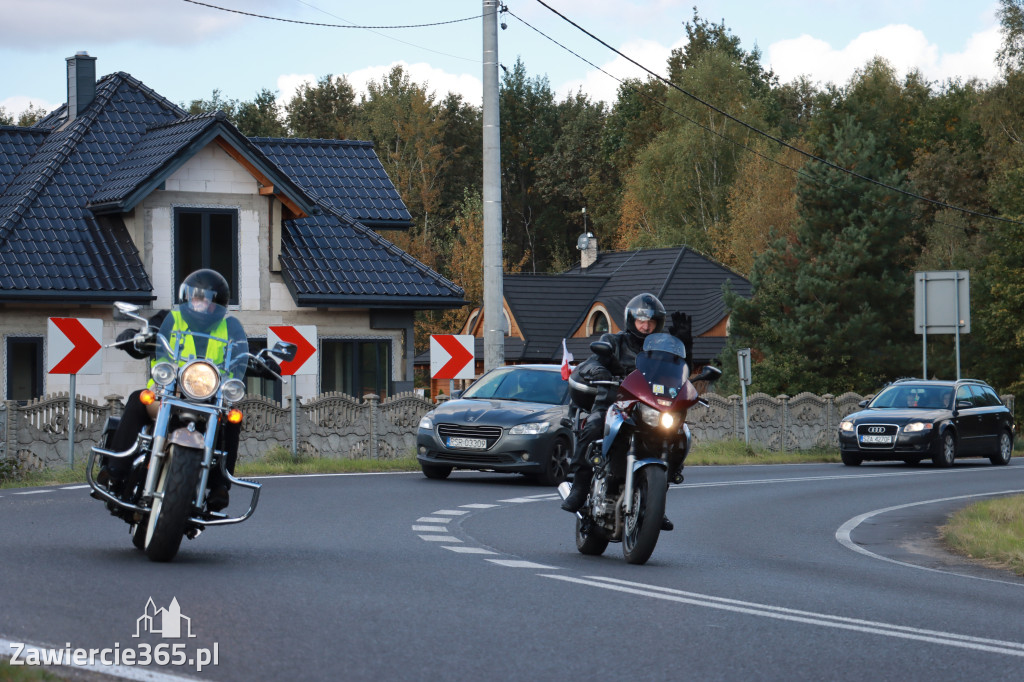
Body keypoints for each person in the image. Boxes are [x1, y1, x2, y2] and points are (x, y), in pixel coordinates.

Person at [103, 269, 259, 512]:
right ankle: (115, 469)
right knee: (138, 399)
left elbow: (242, 353)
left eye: (207, 299)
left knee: (233, 418)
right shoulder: (170, 319)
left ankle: (220, 486)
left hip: (210, 402)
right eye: (197, 297)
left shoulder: (231, 327)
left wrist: (263, 362)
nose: (201, 303)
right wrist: (134, 337)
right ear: (187, 297)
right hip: (166, 394)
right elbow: (150, 332)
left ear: (217, 304)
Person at [560, 293, 692, 531]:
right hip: (614, 403)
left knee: (680, 436)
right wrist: (599, 370)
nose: (646, 325)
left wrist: (686, 345)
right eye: (641, 320)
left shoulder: (663, 349)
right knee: (593, 427)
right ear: (631, 320)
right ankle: (579, 488)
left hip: (650, 408)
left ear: (658, 323)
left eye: (651, 321)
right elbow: (592, 361)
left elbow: (680, 373)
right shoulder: (614, 341)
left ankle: (655, 502)